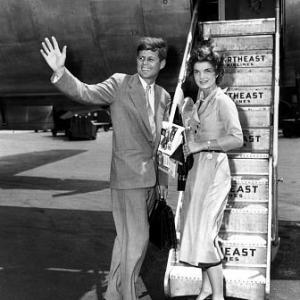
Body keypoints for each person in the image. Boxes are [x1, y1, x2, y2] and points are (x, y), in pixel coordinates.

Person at [40, 36, 170, 300]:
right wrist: (60, 72)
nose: (145, 63)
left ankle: (113, 293)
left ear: (162, 63)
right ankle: (128, 295)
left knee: (125, 240)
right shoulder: (120, 84)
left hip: (151, 181)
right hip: (127, 177)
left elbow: (162, 143)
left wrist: (163, 184)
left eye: (151, 59)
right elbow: (85, 92)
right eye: (141, 58)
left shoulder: (164, 96)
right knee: (138, 240)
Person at [178, 40, 243, 300]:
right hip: (198, 171)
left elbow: (237, 139)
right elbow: (192, 137)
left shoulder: (222, 101)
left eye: (207, 71)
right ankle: (206, 287)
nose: (202, 77)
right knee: (196, 230)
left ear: (216, 72)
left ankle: (218, 295)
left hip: (215, 170)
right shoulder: (201, 102)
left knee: (205, 234)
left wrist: (200, 145)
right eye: (197, 72)